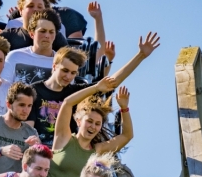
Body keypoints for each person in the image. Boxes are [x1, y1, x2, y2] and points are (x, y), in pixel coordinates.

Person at [29, 32, 159, 146]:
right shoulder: (33, 90)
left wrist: (141, 55)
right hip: (39, 153)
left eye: (73, 73)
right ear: (54, 66)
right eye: (65, 71)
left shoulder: (76, 92)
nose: (68, 76)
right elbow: (27, 128)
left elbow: (112, 82)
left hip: (66, 154)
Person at [44, 75, 132, 177]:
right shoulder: (64, 138)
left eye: (97, 124)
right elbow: (67, 103)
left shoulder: (97, 150)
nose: (93, 126)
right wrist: (96, 88)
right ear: (79, 121)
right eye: (89, 121)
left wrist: (124, 108)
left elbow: (127, 136)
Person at [5, 0, 89, 39]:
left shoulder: (59, 28)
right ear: (21, 9)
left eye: (40, 6)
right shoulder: (12, 25)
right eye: (30, 5)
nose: (35, 10)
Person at [0, 8, 60, 84]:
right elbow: (2, 89)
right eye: (42, 31)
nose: (47, 35)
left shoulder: (62, 63)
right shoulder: (14, 56)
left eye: (51, 32)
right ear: (31, 33)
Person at [0, 0, 68, 52]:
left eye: (40, 7)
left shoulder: (55, 37)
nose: (35, 9)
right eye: (31, 6)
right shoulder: (8, 36)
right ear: (20, 10)